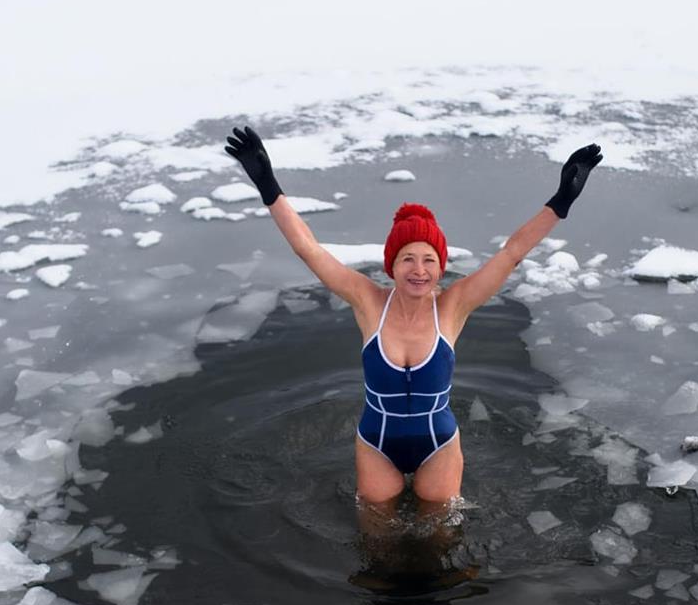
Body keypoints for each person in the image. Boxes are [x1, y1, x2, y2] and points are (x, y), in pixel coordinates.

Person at [225, 125, 601, 510]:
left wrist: (560, 202)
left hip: (438, 444)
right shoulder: (368, 302)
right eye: (408, 258)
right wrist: (268, 186)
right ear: (392, 265)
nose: (418, 270)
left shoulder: (453, 306)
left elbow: (511, 254)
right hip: (376, 443)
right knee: (376, 538)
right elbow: (310, 250)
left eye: (429, 260)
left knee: (440, 538)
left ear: (440, 268)